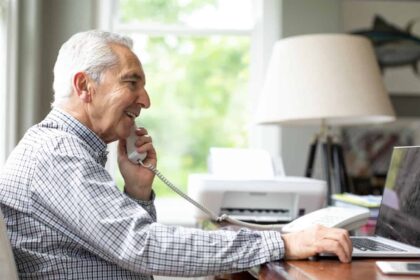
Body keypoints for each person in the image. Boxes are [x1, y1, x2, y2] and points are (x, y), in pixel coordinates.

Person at [0, 30, 352, 279]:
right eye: (131, 83)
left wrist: (137, 192)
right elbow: (142, 246)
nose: (146, 100)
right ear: (84, 87)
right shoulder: (58, 154)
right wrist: (280, 243)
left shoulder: (66, 151)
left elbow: (125, 249)